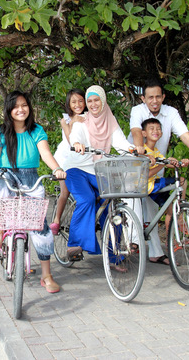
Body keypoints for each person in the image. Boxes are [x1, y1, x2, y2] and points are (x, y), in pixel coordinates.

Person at [0, 91, 67, 294]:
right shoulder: (0, 132)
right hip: (6, 175)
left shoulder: (36, 131)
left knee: (40, 228)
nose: (20, 109)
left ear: (29, 108)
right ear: (9, 110)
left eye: (24, 105)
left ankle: (46, 275)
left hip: (30, 177)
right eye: (16, 106)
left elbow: (45, 154)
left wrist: (56, 169)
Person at [128, 79, 189, 264]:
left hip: (158, 162)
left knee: (153, 210)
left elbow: (185, 135)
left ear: (163, 97)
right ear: (143, 98)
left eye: (158, 96)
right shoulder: (138, 111)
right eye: (150, 97)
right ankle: (132, 241)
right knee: (136, 207)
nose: (154, 100)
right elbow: (136, 130)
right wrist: (139, 148)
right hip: (138, 165)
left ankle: (157, 252)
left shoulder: (170, 113)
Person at [65, 85, 134, 259]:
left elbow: (121, 143)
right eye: (90, 101)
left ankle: (114, 255)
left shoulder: (110, 120)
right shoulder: (82, 120)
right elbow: (75, 136)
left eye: (96, 100)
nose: (93, 104)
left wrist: (133, 150)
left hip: (99, 169)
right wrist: (78, 145)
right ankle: (75, 244)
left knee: (112, 203)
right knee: (87, 199)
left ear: (103, 101)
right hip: (77, 169)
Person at [141, 118, 189, 242]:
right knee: (182, 180)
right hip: (148, 186)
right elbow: (145, 175)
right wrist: (162, 164)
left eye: (158, 129)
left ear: (162, 133)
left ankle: (170, 241)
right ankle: (181, 207)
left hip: (154, 187)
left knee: (170, 210)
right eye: (151, 128)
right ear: (144, 133)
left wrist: (180, 162)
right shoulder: (143, 151)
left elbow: (168, 163)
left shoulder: (156, 151)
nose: (155, 131)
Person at [50, 88, 86, 235]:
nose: (77, 104)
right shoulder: (65, 119)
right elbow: (71, 139)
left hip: (83, 157)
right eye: (73, 102)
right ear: (68, 104)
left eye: (80, 101)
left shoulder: (89, 116)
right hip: (65, 157)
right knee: (65, 190)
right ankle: (57, 220)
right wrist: (74, 122)